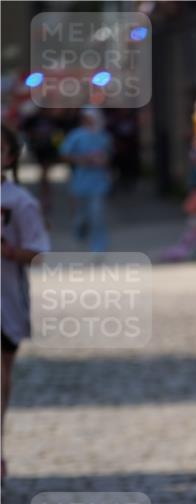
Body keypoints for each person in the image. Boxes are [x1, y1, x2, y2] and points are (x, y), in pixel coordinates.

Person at [1, 124, 50, 483]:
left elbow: (38, 253)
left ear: (9, 156)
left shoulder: (19, 202)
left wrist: (10, 251)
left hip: (6, 304)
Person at [59, 107, 113, 253]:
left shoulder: (103, 135)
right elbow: (64, 154)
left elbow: (109, 156)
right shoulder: (76, 135)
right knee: (81, 216)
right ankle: (80, 234)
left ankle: (98, 247)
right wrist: (82, 159)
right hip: (80, 182)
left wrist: (102, 161)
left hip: (99, 182)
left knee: (97, 215)